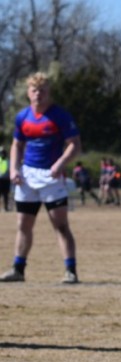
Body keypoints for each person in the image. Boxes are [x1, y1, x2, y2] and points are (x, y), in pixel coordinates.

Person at [0, 72, 81, 284]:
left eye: (42, 91)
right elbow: (17, 144)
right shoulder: (22, 117)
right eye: (34, 90)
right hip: (27, 176)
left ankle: (70, 271)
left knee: (60, 225)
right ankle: (18, 269)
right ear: (28, 93)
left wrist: (60, 164)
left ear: (49, 93)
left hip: (51, 176)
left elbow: (75, 144)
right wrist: (14, 169)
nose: (38, 95)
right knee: (23, 225)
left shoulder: (60, 116)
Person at [0, 146, 11, 211]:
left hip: (6, 180)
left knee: (5, 195)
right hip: (0, 180)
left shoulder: (8, 161)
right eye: (2, 152)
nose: (3, 154)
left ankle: (6, 207)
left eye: (4, 152)